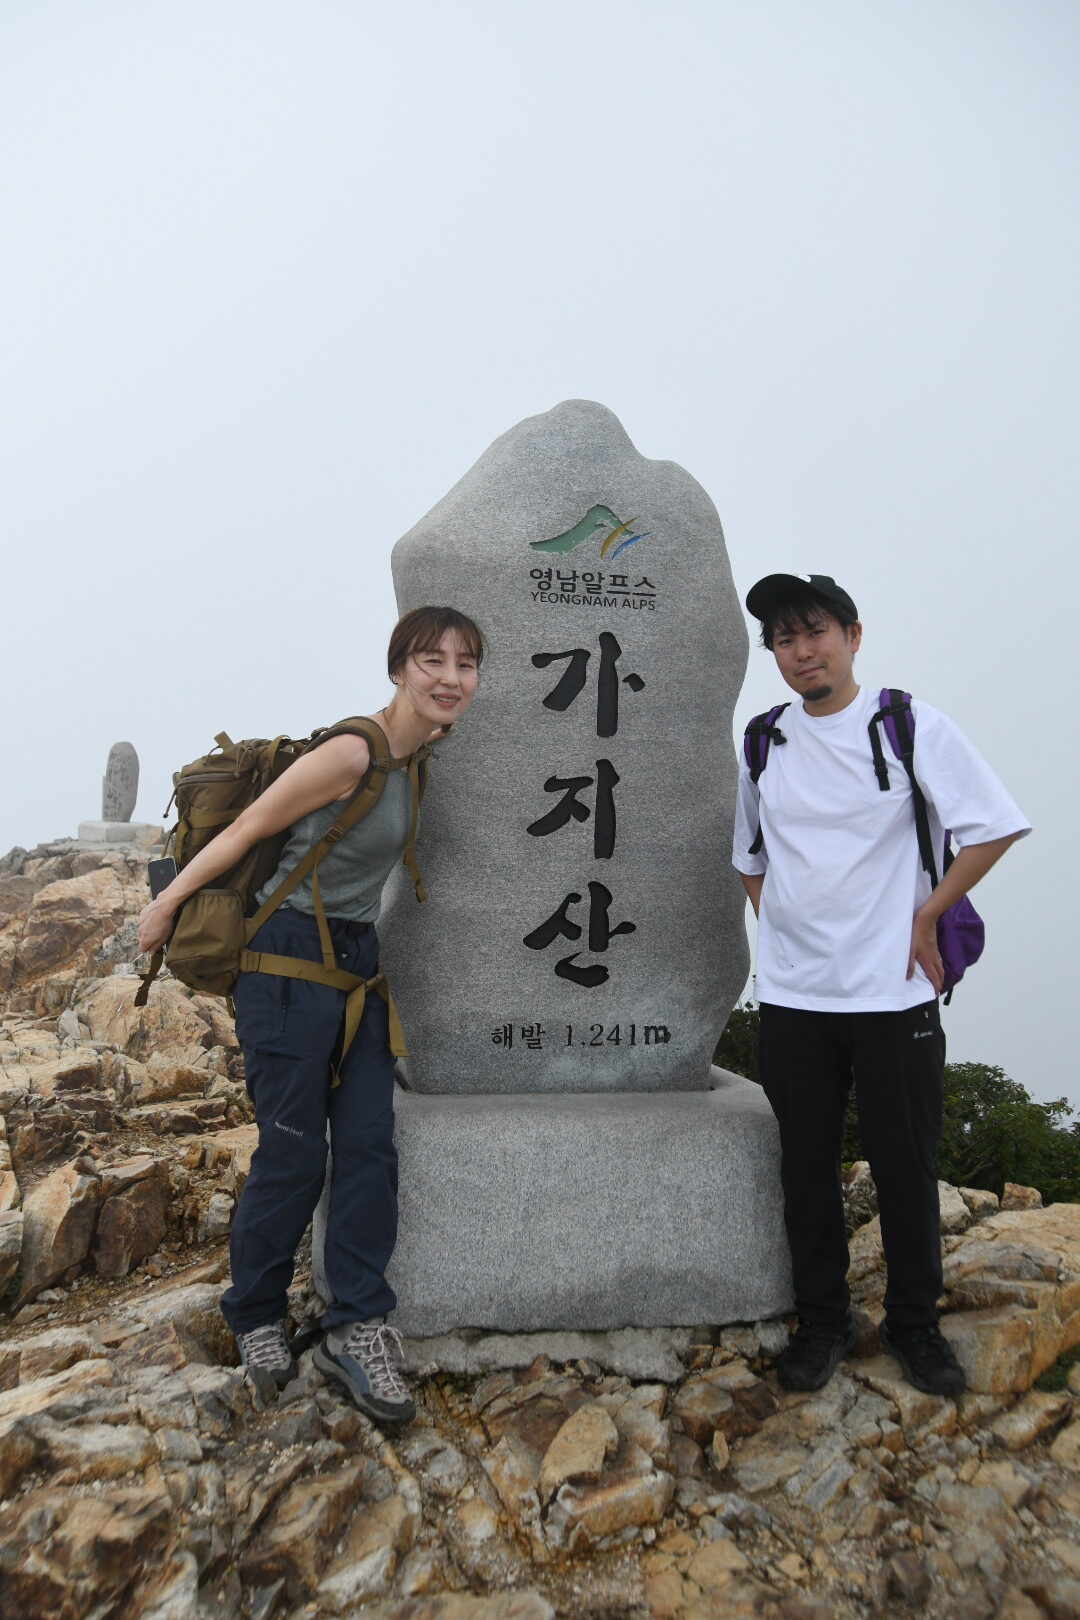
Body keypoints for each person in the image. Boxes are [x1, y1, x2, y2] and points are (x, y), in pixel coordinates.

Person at [137, 606, 484, 1424]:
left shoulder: (415, 756)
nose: (449, 677)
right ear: (398, 668)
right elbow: (254, 827)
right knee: (294, 1154)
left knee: (368, 1145)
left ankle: (357, 1326)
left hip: (357, 967)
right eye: (431, 659)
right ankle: (255, 1317)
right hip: (285, 967)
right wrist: (166, 907)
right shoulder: (354, 751)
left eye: (466, 664)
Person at [732, 573, 1029, 1397]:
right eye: (785, 640)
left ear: (853, 636)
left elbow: (994, 825)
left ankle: (914, 1324)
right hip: (796, 999)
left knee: (904, 1165)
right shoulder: (763, 740)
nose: (802, 651)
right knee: (806, 1166)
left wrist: (927, 916)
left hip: (895, 995)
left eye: (815, 632)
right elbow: (750, 857)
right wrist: (786, 929)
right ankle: (822, 1321)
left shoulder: (907, 725)